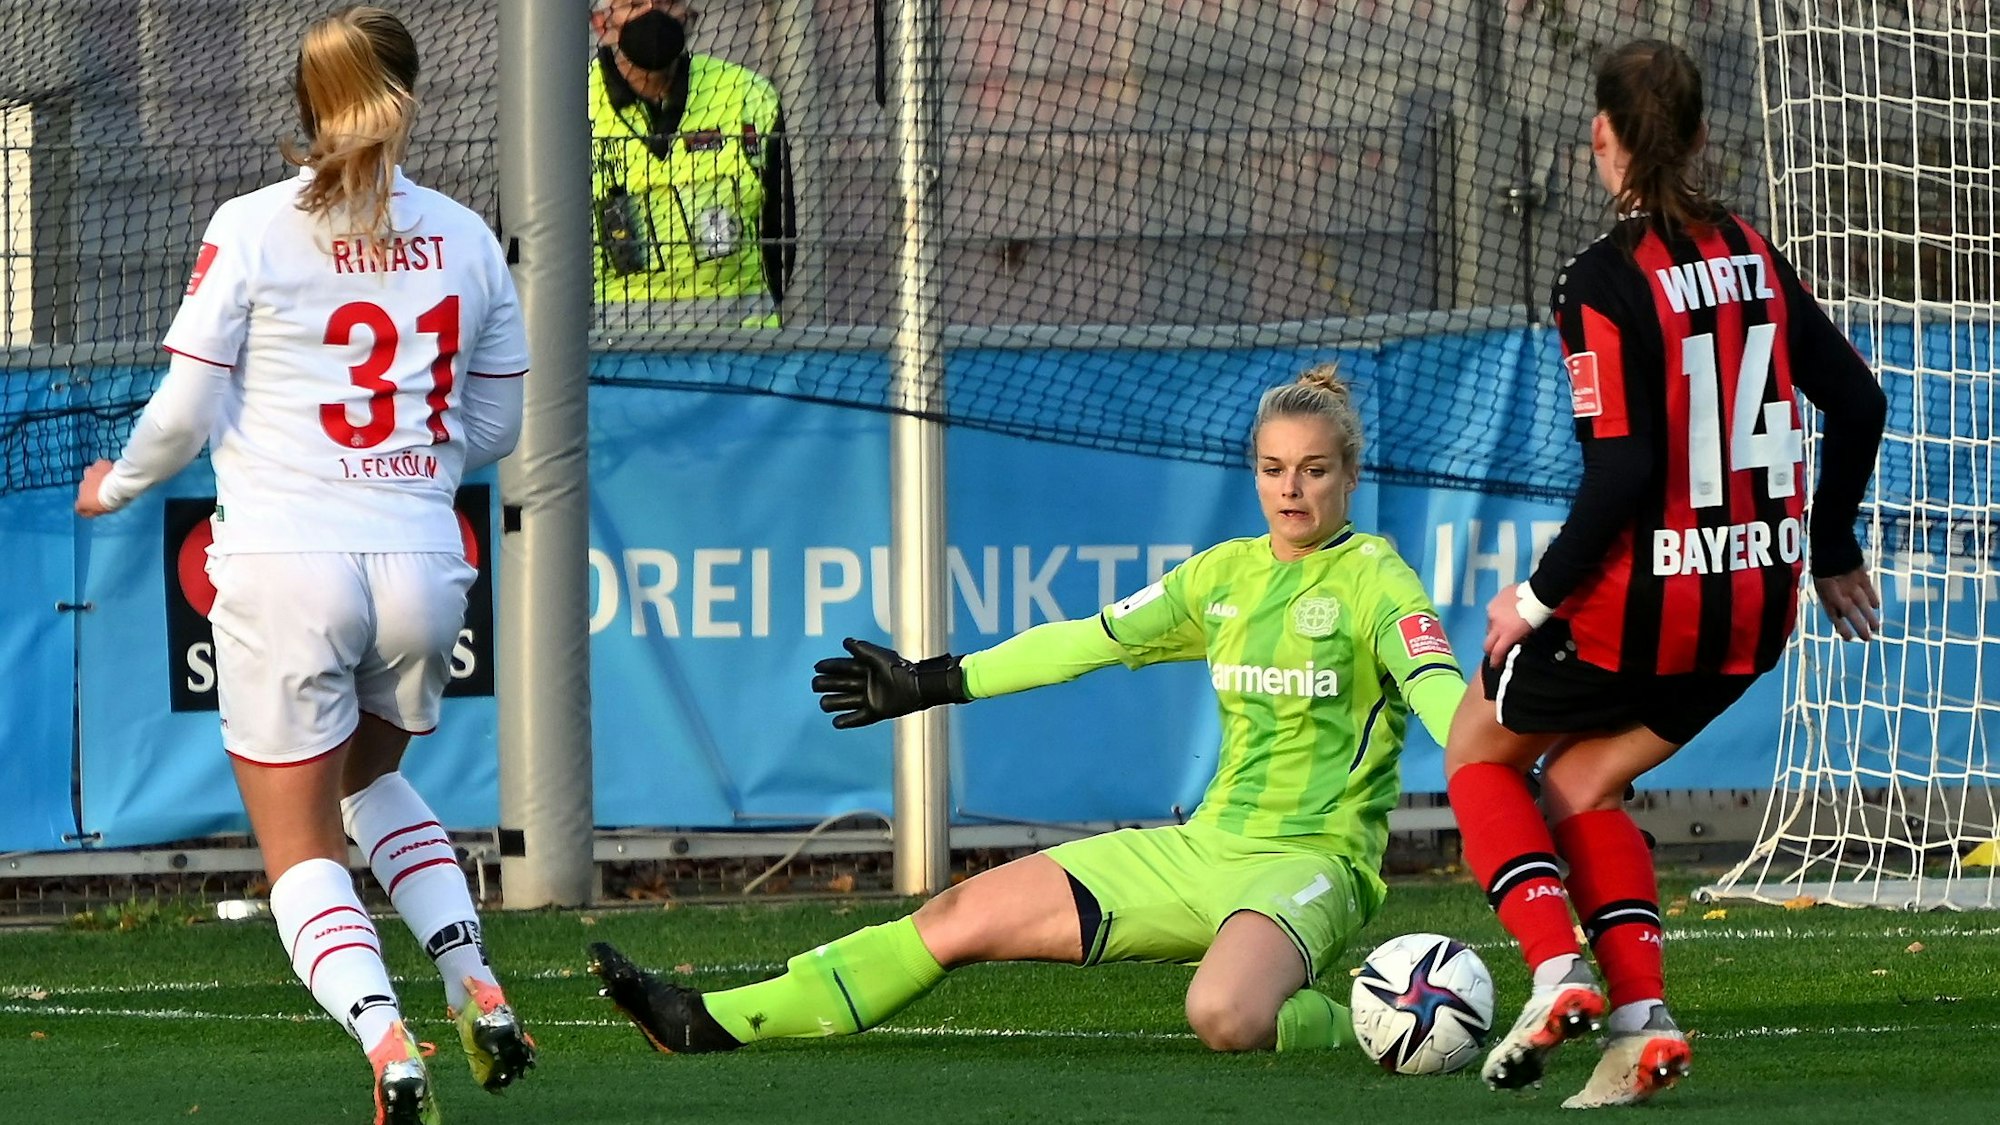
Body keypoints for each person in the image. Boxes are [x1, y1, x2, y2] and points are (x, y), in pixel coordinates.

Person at [588, 363, 1468, 1056]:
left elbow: (1440, 696)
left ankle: (1357, 1015)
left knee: (1225, 1015)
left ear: (1350, 475)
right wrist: (931, 681)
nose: (1291, 489)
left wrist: (1496, 768)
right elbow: (1086, 640)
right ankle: (708, 1020)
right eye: (1274, 468)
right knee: (956, 916)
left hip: (1310, 863)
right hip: (1199, 850)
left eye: (1315, 470)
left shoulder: (1377, 582)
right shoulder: (1223, 576)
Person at [73, 8, 538, 1122]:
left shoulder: (251, 226)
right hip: (425, 563)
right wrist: (401, 466)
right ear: (410, 96)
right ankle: (473, 975)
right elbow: (496, 427)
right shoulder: (468, 236)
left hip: (289, 564)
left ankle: (388, 1045)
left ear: (304, 103)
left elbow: (184, 414)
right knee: (370, 780)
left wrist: (120, 483)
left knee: (299, 851)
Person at [1443, 40, 1887, 1109]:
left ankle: (1554, 971)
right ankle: (1640, 1022)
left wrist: (1533, 599)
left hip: (1634, 605)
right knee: (1581, 781)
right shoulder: (1753, 251)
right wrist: (1827, 548)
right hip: (1751, 607)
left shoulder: (1596, 280)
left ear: (1599, 136)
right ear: (1696, 138)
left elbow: (1623, 468)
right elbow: (1859, 402)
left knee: (1475, 756)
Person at [589, 0, 796, 329]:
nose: (653, 15)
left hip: (741, 347)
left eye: (668, 2)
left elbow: (779, 234)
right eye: (635, 4)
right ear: (602, 24)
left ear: (688, 16)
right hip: (613, 356)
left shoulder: (747, 94)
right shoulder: (570, 105)